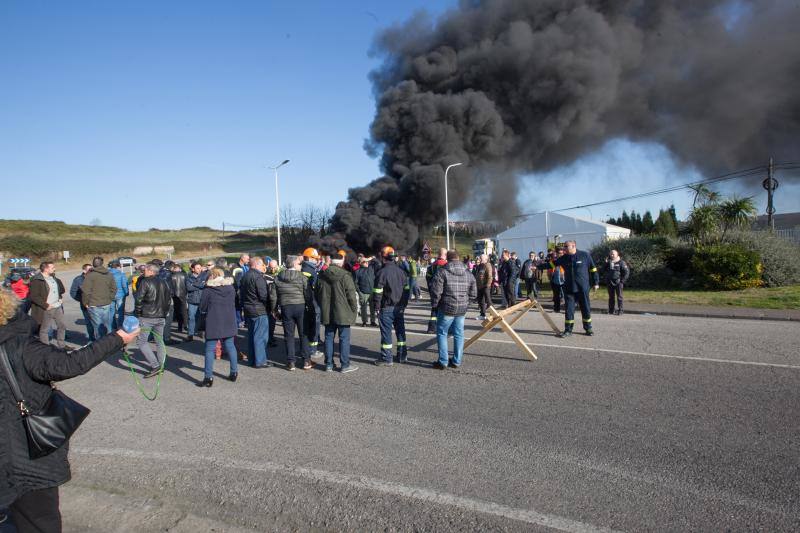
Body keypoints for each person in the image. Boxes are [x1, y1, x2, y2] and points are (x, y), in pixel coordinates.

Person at [0, 289, 139, 533]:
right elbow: (70, 363)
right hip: (23, 457)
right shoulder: (18, 345)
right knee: (39, 521)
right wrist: (118, 338)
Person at [430, 250, 477, 369]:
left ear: (447, 259)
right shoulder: (468, 273)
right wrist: (466, 303)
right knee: (459, 334)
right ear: (458, 258)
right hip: (461, 309)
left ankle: (443, 361)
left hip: (446, 308)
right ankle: (456, 361)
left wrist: (435, 305)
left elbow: (436, 292)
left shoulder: (442, 271)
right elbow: (473, 293)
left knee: (442, 333)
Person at [316, 251, 359, 373]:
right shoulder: (345, 276)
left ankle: (329, 364)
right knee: (344, 338)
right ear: (341, 262)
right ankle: (345, 365)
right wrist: (354, 310)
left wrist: (323, 306)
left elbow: (317, 294)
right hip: (343, 312)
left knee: (329, 337)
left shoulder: (322, 275)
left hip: (327, 312)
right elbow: (351, 296)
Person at [196, 268, 239, 387]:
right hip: (229, 320)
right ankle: (234, 372)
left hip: (214, 321)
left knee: (210, 349)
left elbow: (203, 307)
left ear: (212, 276)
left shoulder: (208, 290)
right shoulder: (230, 288)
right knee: (230, 346)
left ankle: (208, 377)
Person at [548, 240, 599, 337]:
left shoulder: (585, 255)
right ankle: (568, 330)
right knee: (569, 310)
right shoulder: (564, 258)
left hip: (582, 288)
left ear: (573, 246)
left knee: (585, 308)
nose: (564, 249)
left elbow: (593, 269)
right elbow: (551, 264)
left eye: (566, 247)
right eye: (564, 247)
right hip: (569, 289)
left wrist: (596, 282)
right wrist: (537, 267)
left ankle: (588, 328)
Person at [373, 246, 410, 366]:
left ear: (383, 257)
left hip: (386, 308)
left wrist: (377, 307)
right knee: (400, 331)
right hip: (399, 308)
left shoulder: (381, 273)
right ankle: (402, 355)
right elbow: (406, 291)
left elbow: (377, 292)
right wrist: (404, 305)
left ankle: (386, 358)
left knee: (386, 333)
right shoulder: (401, 272)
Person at [133, 263, 172, 378]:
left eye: (145, 270)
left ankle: (156, 366)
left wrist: (138, 313)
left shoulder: (145, 281)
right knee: (159, 341)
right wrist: (164, 313)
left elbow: (138, 299)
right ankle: (160, 365)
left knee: (141, 341)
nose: (144, 271)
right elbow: (168, 300)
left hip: (148, 316)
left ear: (150, 271)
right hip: (160, 316)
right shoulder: (163, 282)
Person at [275, 255, 311, 371]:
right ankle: (306, 360)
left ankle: (291, 362)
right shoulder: (302, 277)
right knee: (303, 334)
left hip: (286, 307)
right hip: (300, 306)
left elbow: (273, 295)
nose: (300, 266)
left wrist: (274, 309)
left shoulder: (279, 277)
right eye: (299, 264)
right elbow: (308, 294)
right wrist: (310, 307)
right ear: (294, 264)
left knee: (289, 335)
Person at [240, 257, 277, 368]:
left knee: (252, 336)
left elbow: (241, 294)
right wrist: (271, 307)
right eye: (262, 265)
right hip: (259, 309)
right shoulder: (258, 277)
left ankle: (252, 359)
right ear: (256, 265)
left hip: (248, 308)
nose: (263, 267)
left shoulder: (245, 276)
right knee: (260, 337)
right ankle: (260, 361)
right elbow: (263, 295)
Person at [28, 262, 67, 349]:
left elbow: (58, 290)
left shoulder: (53, 278)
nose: (55, 269)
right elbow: (34, 296)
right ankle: (46, 348)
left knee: (62, 325)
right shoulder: (36, 280)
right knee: (44, 329)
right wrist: (46, 305)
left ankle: (62, 345)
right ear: (45, 269)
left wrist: (60, 298)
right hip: (46, 308)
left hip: (57, 306)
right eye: (52, 267)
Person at [81, 256, 118, 338]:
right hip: (105, 303)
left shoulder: (90, 275)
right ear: (102, 264)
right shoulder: (109, 274)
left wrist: (85, 303)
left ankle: (101, 345)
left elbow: (85, 291)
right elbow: (114, 288)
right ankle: (108, 343)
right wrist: (110, 298)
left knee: (98, 327)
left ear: (93, 264)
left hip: (94, 304)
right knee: (106, 325)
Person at [301, 248, 322, 358]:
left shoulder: (307, 268)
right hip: (312, 302)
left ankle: (309, 348)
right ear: (308, 258)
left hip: (309, 302)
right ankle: (312, 350)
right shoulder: (308, 270)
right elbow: (313, 288)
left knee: (310, 326)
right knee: (314, 326)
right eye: (315, 259)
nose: (316, 261)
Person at [70, 264, 95, 341]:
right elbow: (73, 293)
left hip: (97, 304)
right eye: (89, 269)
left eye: (92, 269)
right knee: (89, 323)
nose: (91, 271)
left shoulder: (96, 277)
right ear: (84, 271)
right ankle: (92, 339)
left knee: (100, 323)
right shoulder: (78, 280)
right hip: (86, 306)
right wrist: (82, 300)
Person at [425, 248, 448, 333]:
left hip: (434, 291)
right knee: (446, 311)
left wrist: (431, 289)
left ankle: (431, 328)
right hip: (445, 292)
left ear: (438, 254)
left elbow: (427, 278)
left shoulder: (432, 266)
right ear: (445, 255)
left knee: (434, 309)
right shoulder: (447, 265)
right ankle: (446, 328)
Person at [185, 261, 208, 342]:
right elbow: (189, 288)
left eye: (200, 268)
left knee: (202, 317)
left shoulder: (205, 276)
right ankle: (190, 334)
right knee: (191, 318)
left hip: (202, 300)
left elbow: (204, 285)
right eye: (197, 268)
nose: (199, 269)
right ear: (193, 269)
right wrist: (200, 284)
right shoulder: (188, 277)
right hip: (192, 300)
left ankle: (202, 332)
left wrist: (194, 284)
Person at [605, 249, 630, 315]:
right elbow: (603, 270)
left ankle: (620, 310)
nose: (612, 255)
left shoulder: (621, 262)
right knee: (611, 297)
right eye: (611, 254)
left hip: (618, 282)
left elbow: (626, 272)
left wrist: (622, 281)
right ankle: (611, 310)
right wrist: (606, 263)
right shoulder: (609, 262)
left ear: (617, 255)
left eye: (613, 254)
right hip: (610, 282)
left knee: (619, 297)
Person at [354, 257, 376, 327]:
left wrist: (369, 259)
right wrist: (359, 291)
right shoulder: (357, 271)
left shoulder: (371, 268)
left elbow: (377, 262)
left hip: (372, 292)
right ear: (360, 263)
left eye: (367, 262)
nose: (366, 263)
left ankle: (373, 321)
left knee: (373, 308)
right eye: (364, 262)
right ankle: (364, 321)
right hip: (363, 292)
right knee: (364, 308)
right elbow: (355, 283)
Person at [108, 260, 129, 330]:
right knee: (120, 312)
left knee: (111, 312)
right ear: (117, 266)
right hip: (120, 295)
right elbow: (124, 285)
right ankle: (120, 327)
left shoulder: (106, 274)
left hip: (110, 295)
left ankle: (112, 327)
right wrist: (126, 292)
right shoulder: (121, 274)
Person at [231, 253, 250, 327]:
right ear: (242, 258)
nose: (248, 260)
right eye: (247, 259)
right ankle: (239, 321)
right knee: (238, 307)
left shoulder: (247, 266)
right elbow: (235, 280)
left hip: (246, 290)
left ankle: (246, 321)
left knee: (246, 306)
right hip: (238, 290)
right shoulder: (235, 267)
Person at [169, 263, 188, 335]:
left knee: (177, 310)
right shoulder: (184, 275)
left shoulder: (171, 276)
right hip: (183, 294)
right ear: (180, 269)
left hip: (175, 295)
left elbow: (170, 287)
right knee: (184, 310)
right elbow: (187, 285)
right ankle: (186, 325)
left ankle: (180, 326)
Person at [473, 253, 493, 320]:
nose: (480, 259)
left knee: (488, 301)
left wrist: (487, 285)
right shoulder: (480, 266)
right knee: (481, 301)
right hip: (479, 286)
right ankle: (482, 314)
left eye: (481, 258)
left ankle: (492, 314)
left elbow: (490, 276)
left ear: (486, 259)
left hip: (485, 286)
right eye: (480, 258)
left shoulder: (488, 265)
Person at [265, 259, 280, 347]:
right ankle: (269, 338)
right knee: (270, 321)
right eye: (271, 267)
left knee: (272, 321)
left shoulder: (278, 275)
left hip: (274, 301)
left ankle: (271, 336)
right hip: (269, 302)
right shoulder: (267, 277)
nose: (273, 269)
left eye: (274, 267)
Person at [548, 248, 565, 313]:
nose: (560, 254)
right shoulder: (553, 261)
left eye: (561, 253)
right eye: (559, 253)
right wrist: (550, 277)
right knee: (556, 295)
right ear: (556, 254)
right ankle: (556, 308)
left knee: (566, 295)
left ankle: (567, 308)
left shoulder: (566, 260)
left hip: (564, 280)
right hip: (555, 280)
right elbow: (549, 269)